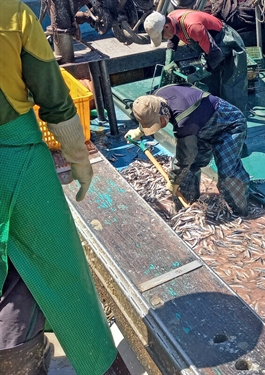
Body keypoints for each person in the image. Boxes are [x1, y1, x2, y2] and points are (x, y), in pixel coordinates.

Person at [0, 1, 129, 374]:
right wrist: (79, 160)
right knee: (51, 266)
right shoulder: (12, 14)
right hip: (16, 163)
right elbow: (55, 100)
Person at [125, 84, 250, 216]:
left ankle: (240, 212)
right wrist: (139, 130)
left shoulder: (183, 120)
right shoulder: (156, 97)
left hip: (228, 124)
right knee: (188, 170)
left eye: (159, 123)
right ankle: (186, 209)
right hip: (200, 125)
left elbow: (185, 156)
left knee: (227, 172)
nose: (160, 127)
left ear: (163, 112)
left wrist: (174, 181)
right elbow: (149, 112)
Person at [144, 10, 248, 113]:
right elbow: (173, 38)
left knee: (231, 84)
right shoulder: (171, 19)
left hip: (227, 41)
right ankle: (216, 109)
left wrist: (198, 75)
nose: (163, 39)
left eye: (162, 37)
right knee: (210, 82)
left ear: (166, 27)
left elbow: (216, 55)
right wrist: (169, 61)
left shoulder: (193, 27)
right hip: (211, 44)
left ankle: (235, 114)